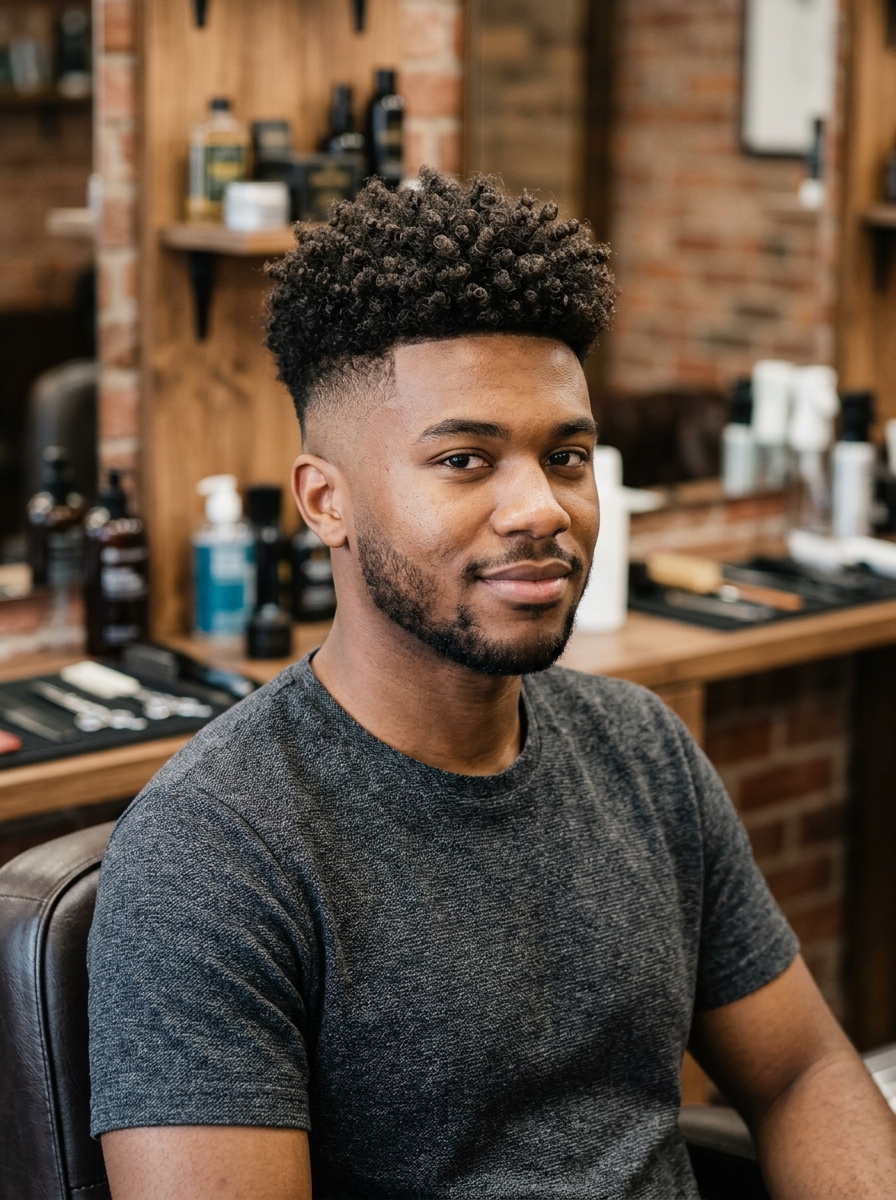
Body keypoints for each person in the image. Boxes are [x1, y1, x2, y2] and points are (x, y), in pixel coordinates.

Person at [88, 169, 896, 1200]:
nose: (540, 508)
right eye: (466, 460)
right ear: (323, 501)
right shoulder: (215, 852)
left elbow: (800, 1072)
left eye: (566, 456)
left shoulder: (639, 749)